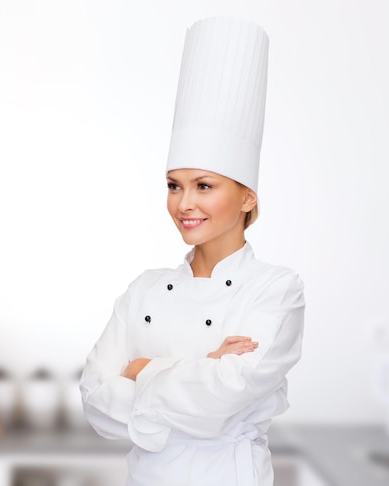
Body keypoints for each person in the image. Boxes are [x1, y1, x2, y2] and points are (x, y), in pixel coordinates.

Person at [80, 17, 305, 486]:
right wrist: (201, 368)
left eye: (204, 186)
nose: (184, 204)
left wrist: (140, 371)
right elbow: (95, 401)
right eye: (174, 186)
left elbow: (228, 395)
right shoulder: (144, 289)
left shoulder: (276, 290)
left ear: (248, 197)